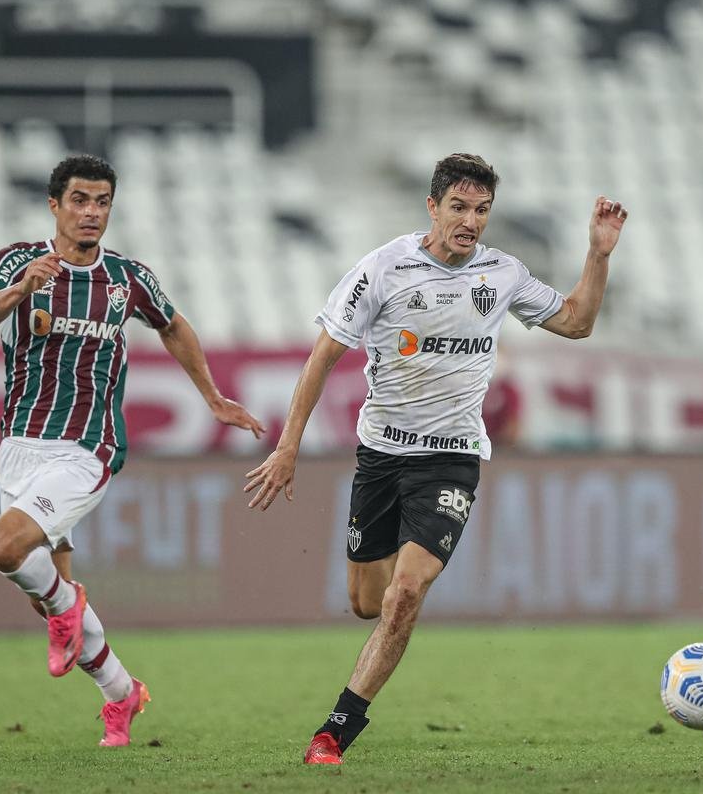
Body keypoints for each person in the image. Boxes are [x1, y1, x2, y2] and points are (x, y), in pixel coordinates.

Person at [244, 153, 627, 764]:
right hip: (382, 455)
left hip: (452, 459)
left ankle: (336, 730)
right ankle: (393, 581)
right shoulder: (384, 270)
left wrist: (598, 255)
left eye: (481, 210)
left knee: (406, 593)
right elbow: (322, 357)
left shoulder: (503, 275)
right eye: (459, 208)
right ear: (433, 206)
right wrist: (288, 446)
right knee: (367, 602)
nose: (471, 221)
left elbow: (577, 323)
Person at [0, 153, 264, 747]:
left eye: (102, 202)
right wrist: (20, 290)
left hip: (89, 446)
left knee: (4, 546)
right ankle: (123, 695)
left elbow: (173, 325)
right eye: (80, 200)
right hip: (21, 445)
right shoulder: (17, 263)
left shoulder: (127, 279)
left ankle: (68, 603)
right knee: (46, 606)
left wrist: (212, 397)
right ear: (55, 205)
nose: (92, 213)